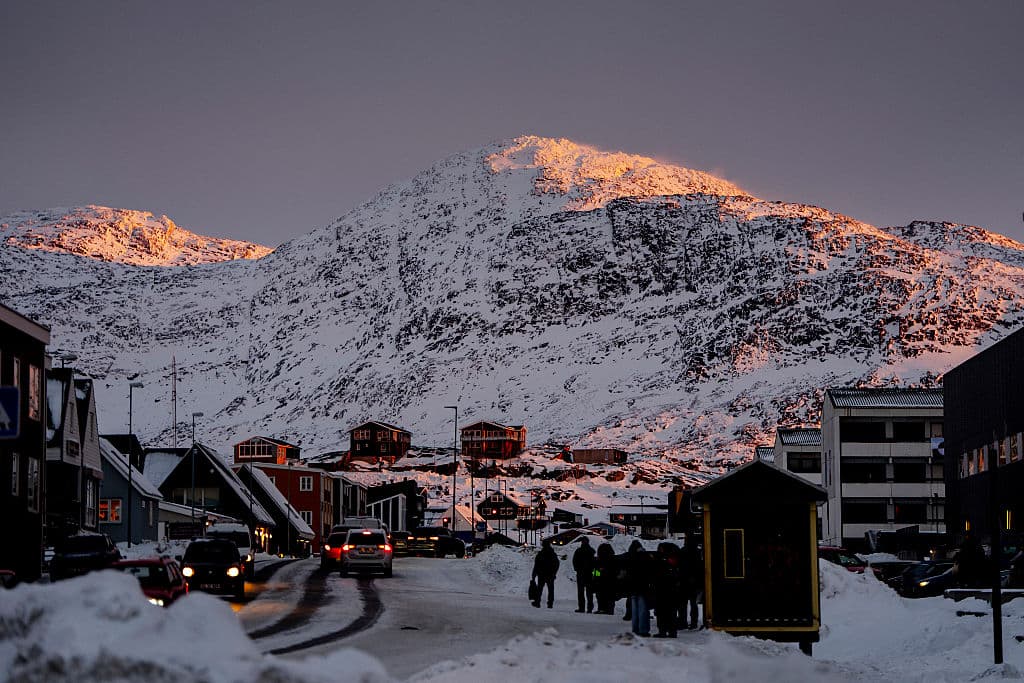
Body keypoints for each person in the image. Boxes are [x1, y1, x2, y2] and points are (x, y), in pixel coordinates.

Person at [624, 540, 653, 636]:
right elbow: (649, 571)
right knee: (643, 609)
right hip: (643, 586)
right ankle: (643, 629)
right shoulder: (644, 557)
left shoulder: (629, 557)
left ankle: (635, 628)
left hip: (632, 587)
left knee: (635, 610)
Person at [652, 542, 681, 637]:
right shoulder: (675, 561)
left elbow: (657, 575)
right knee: (672, 612)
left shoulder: (661, 561)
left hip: (662, 590)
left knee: (661, 612)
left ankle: (662, 631)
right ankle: (672, 631)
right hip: (673, 591)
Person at [678, 532, 703, 629]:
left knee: (682, 604)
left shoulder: (682, 551)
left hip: (683, 580)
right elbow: (699, 566)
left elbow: (680, 566)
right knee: (693, 604)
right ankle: (694, 622)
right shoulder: (697, 552)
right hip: (694, 581)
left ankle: (682, 621)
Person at [532, 538, 559, 608]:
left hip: (542, 574)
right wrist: (554, 573)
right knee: (550, 589)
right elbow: (556, 564)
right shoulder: (552, 554)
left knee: (540, 588)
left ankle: (537, 602)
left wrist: (534, 574)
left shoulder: (541, 554)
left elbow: (536, 564)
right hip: (550, 574)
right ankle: (550, 603)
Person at [592, 542, 618, 614]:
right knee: (610, 597)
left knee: (600, 595)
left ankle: (602, 608)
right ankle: (610, 609)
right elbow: (615, 571)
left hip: (601, 582)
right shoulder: (613, 560)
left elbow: (595, 571)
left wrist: (595, 578)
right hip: (611, 581)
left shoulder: (598, 561)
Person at [572, 536, 596, 613]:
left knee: (581, 592)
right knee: (589, 592)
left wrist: (577, 569)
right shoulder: (591, 551)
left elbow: (574, 561)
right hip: (589, 574)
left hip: (581, 574)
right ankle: (589, 608)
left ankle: (581, 608)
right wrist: (595, 574)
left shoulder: (578, 551)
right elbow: (595, 565)